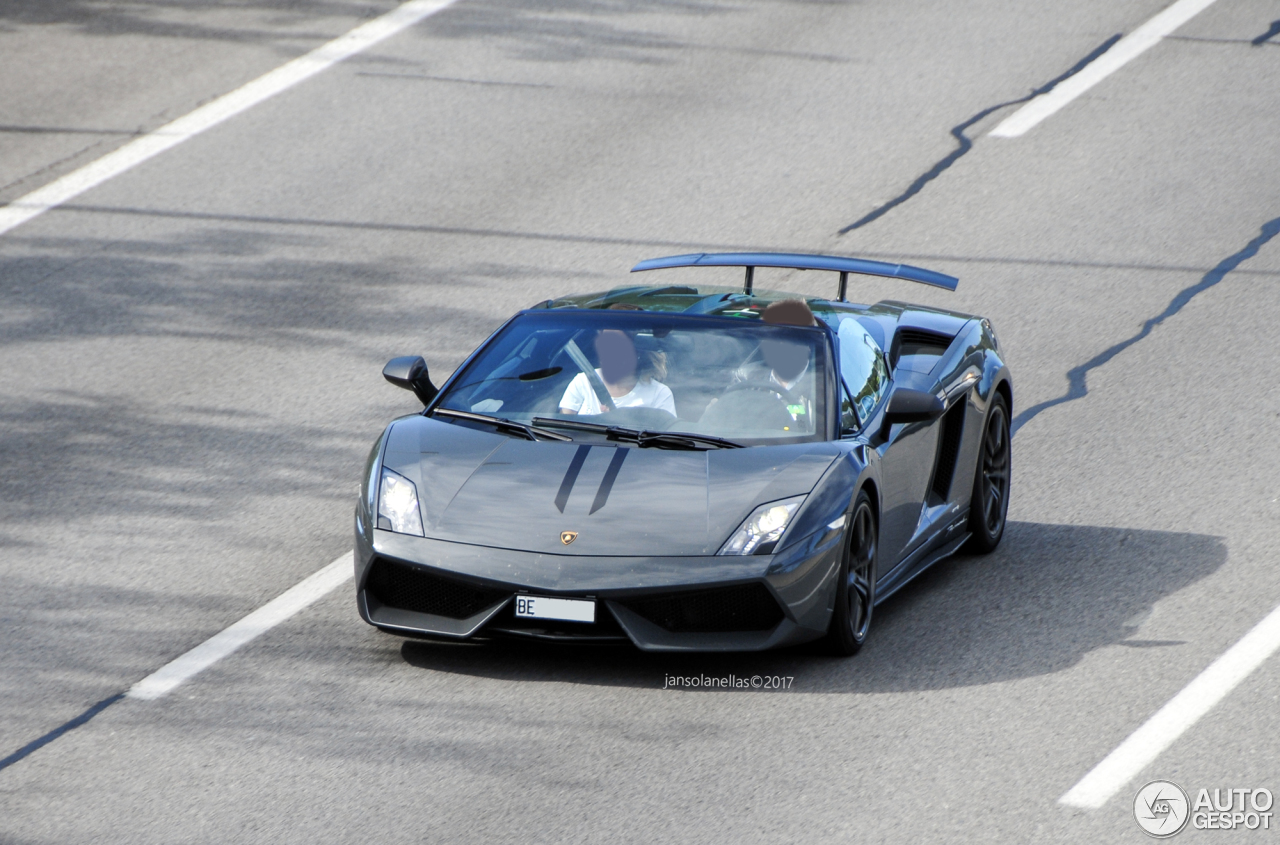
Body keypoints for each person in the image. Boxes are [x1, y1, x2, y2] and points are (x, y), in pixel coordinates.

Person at [558, 328, 676, 416]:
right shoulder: (583, 381)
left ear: (637, 351)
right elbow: (561, 432)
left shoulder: (659, 394)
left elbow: (665, 444)